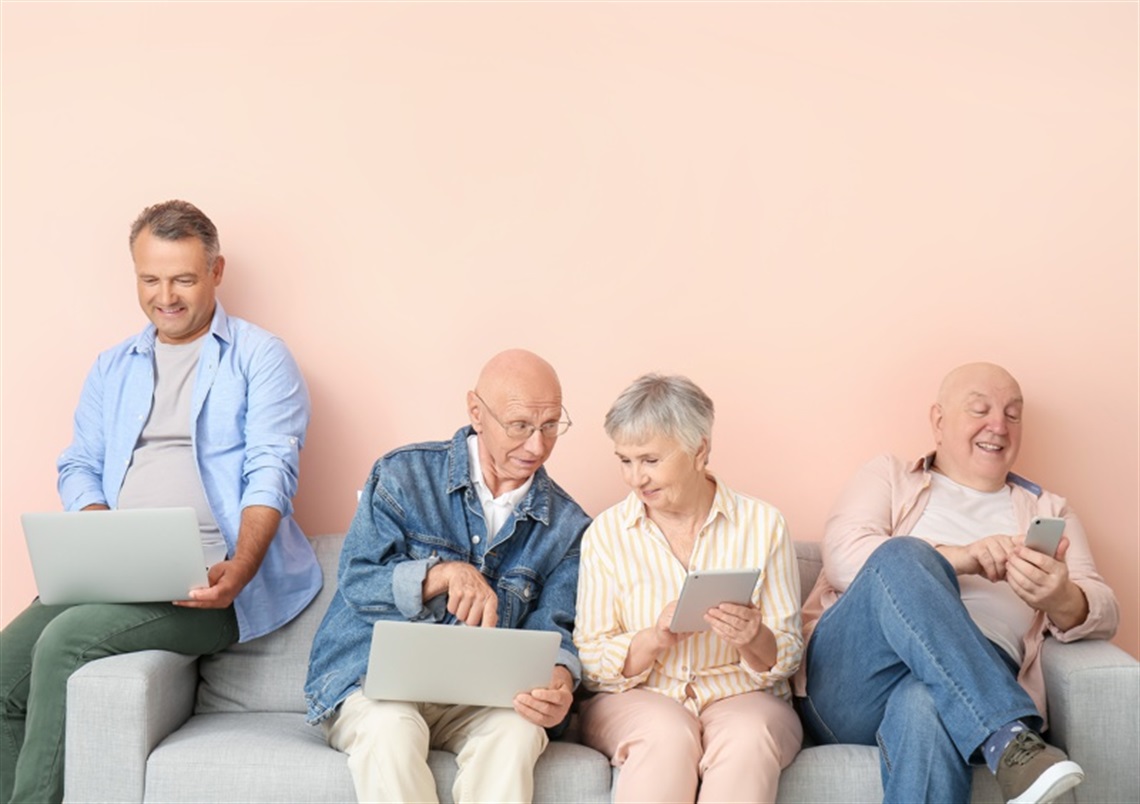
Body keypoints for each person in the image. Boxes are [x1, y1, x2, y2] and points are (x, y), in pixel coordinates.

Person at [0, 200, 322, 804]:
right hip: (118, 569)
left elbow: (270, 469)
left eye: (183, 279)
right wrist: (100, 537)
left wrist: (240, 570)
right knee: (1, 675)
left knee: (66, 640)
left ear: (216, 271)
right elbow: (79, 463)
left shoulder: (260, 356)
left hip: (210, 582)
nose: (165, 296)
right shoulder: (112, 366)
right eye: (150, 279)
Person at [797, 362, 1119, 804]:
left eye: (1012, 413)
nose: (998, 426)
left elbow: (1103, 609)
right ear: (939, 420)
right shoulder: (889, 475)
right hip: (855, 678)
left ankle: (996, 734)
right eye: (979, 410)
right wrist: (960, 557)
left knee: (924, 703)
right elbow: (843, 558)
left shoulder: (1050, 510)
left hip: (969, 680)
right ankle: (1007, 737)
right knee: (901, 554)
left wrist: (1061, 597)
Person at [304, 349, 591, 804]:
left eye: (551, 425)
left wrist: (558, 678)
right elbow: (358, 581)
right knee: (391, 729)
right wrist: (439, 575)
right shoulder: (403, 474)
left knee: (518, 732)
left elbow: (555, 630)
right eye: (520, 426)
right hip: (370, 684)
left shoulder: (569, 526)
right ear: (477, 412)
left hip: (478, 699)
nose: (537, 446)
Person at [573, 374, 803, 803]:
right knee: (667, 734)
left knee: (749, 737)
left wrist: (754, 637)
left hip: (741, 695)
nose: (635, 478)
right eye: (625, 460)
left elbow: (787, 654)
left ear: (700, 451)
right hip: (639, 698)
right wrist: (651, 640)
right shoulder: (605, 535)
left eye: (650, 460)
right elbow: (588, 658)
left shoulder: (764, 526)